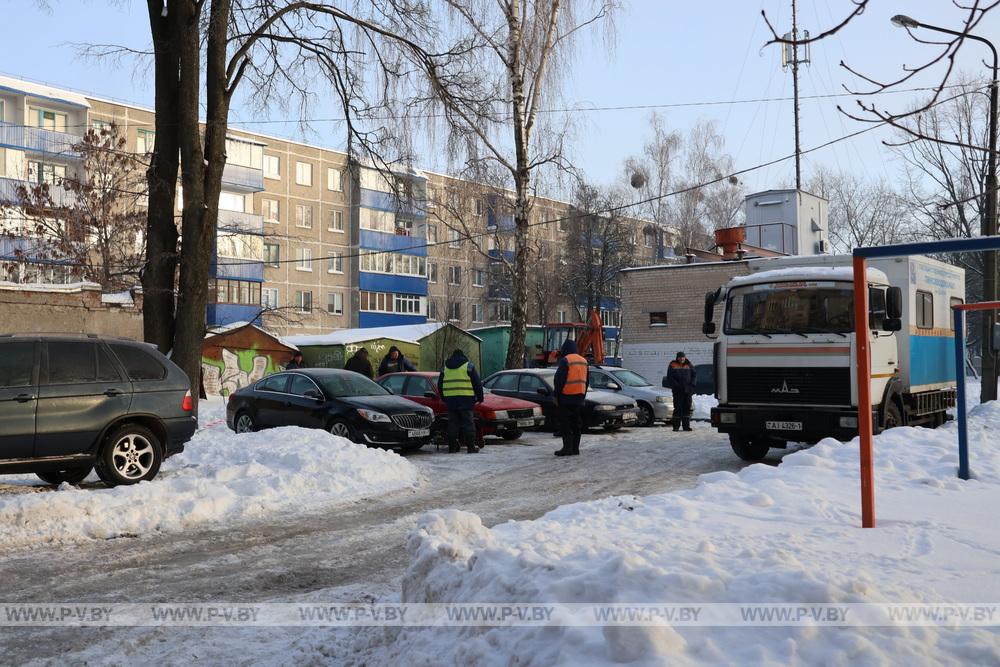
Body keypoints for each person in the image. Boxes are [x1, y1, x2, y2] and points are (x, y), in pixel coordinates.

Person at [439, 348, 484, 454]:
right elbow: (477, 383)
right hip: (466, 400)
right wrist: (480, 397)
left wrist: (444, 397)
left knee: (452, 424)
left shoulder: (445, 368)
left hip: (451, 401)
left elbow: (440, 385)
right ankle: (471, 447)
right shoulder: (468, 366)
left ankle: (452, 448)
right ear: (463, 356)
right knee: (468, 424)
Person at [553, 339, 588, 456]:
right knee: (576, 424)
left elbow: (559, 380)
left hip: (566, 398)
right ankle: (575, 449)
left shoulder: (565, 361)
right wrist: (583, 395)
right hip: (579, 399)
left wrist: (556, 395)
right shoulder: (584, 361)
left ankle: (567, 448)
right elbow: (586, 381)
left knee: (565, 424)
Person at [664, 351, 697, 432]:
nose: (681, 358)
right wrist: (676, 386)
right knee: (678, 408)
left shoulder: (689, 364)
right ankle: (676, 427)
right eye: (680, 357)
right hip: (678, 391)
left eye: (683, 357)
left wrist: (692, 385)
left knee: (687, 408)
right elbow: (670, 377)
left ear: (685, 357)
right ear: (677, 358)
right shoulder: (672, 365)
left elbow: (694, 375)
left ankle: (686, 427)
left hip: (687, 391)